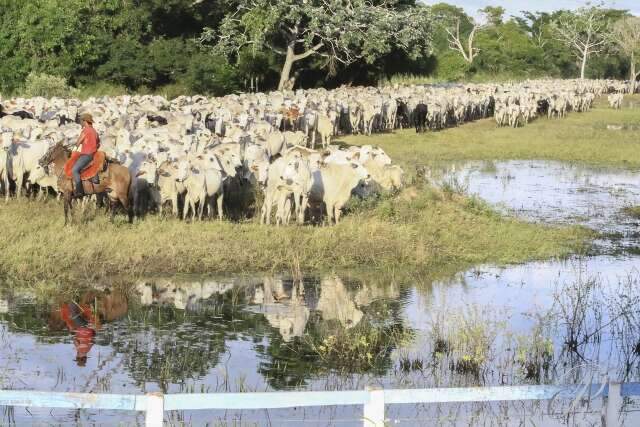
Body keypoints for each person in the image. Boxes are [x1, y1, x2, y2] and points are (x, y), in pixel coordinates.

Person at [72, 113, 100, 197]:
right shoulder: (95, 131)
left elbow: (78, 142)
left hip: (86, 155)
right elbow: (98, 144)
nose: (80, 122)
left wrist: (74, 148)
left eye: (81, 121)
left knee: (75, 169)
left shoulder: (86, 130)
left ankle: (79, 190)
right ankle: (94, 177)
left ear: (85, 121)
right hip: (93, 154)